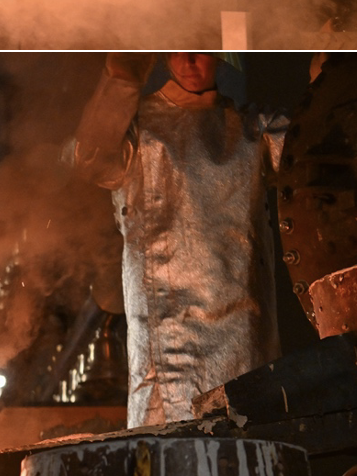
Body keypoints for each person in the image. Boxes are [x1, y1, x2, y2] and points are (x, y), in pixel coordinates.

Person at [73, 53, 287, 427]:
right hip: (164, 341)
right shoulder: (139, 129)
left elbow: (312, 150)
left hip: (242, 334)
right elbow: (93, 160)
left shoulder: (252, 127)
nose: (188, 60)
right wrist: (120, 81)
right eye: (178, 47)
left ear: (221, 57)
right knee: (166, 458)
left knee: (244, 447)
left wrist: (328, 68)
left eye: (200, 48)